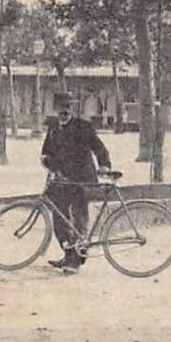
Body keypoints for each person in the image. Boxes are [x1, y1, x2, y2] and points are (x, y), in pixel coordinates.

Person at [39, 90, 114, 273]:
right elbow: (47, 151)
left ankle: (76, 260)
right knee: (59, 215)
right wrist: (50, 165)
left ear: (72, 108)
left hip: (83, 179)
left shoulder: (83, 126)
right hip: (63, 180)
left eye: (68, 107)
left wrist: (104, 165)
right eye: (61, 107)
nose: (64, 111)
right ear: (56, 109)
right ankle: (68, 254)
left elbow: (99, 148)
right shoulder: (54, 127)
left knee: (79, 217)